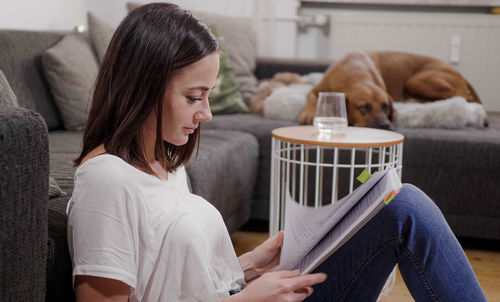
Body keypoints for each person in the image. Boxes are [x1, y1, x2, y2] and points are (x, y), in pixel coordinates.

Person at [68, 3, 487, 302]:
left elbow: (184, 281)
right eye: (194, 96)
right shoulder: (106, 181)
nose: (207, 113)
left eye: (208, 95)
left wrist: (253, 264)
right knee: (406, 209)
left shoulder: (164, 163)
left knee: (398, 205)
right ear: (142, 86)